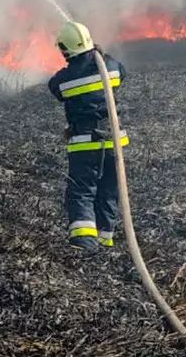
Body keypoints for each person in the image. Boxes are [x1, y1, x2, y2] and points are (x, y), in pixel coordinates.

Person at [48, 21, 128, 250]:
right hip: (114, 141)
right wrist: (100, 55)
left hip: (85, 143)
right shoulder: (110, 66)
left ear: (65, 49)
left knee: (82, 191)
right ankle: (105, 239)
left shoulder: (65, 78)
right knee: (109, 191)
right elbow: (121, 72)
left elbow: (54, 87)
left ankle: (84, 243)